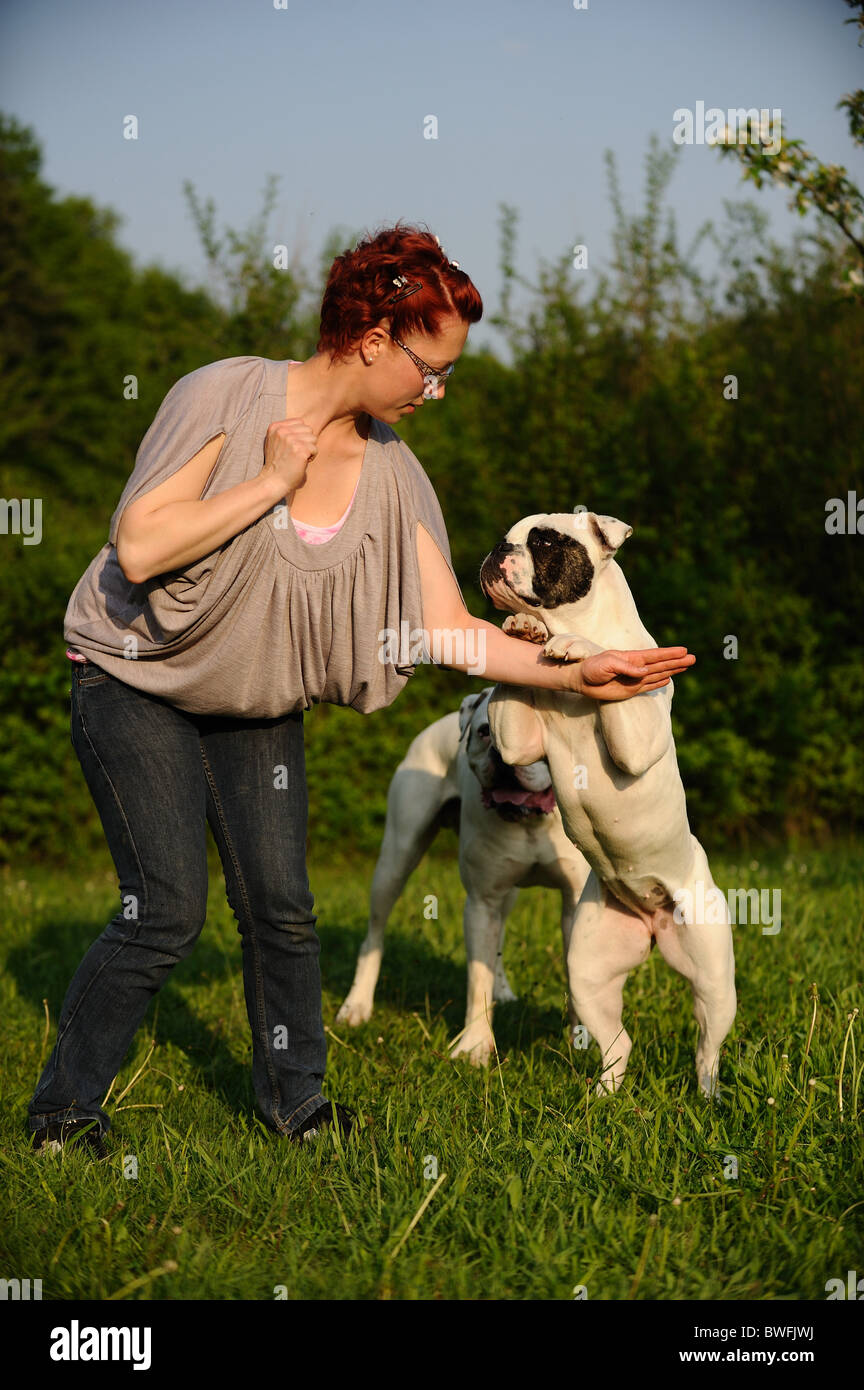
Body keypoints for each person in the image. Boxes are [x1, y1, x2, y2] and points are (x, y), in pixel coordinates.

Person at [27, 223, 694, 1157]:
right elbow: (139, 546)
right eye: (432, 369)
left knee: (282, 909)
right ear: (375, 339)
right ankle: (63, 1116)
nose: (437, 391)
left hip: (250, 700)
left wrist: (577, 670)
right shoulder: (224, 394)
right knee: (167, 909)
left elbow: (447, 628)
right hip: (133, 677)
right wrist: (272, 481)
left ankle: (297, 1108)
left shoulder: (394, 473)